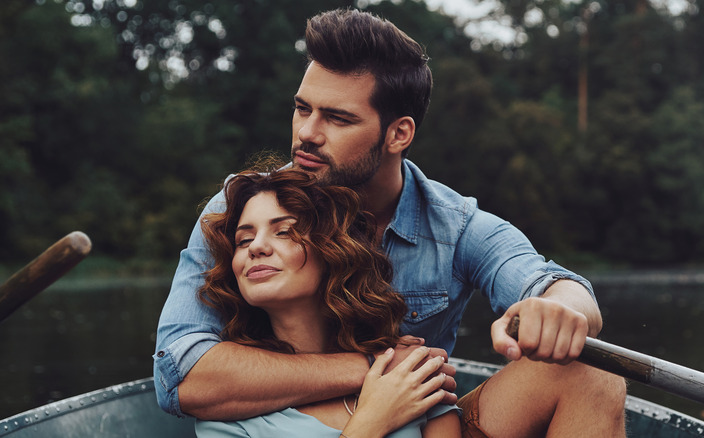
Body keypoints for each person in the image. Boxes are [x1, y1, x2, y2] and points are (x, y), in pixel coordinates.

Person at [154, 7, 627, 437]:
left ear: (398, 133)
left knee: (592, 371)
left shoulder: (455, 226)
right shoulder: (244, 205)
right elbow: (180, 374)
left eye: (337, 118)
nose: (306, 134)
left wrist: (558, 310)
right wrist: (375, 369)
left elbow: (551, 283)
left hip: (421, 424)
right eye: (302, 108)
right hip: (288, 419)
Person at [193, 166, 460, 437]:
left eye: (284, 231)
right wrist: (371, 421)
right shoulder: (225, 415)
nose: (255, 247)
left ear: (334, 250)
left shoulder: (409, 374)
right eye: (244, 239)